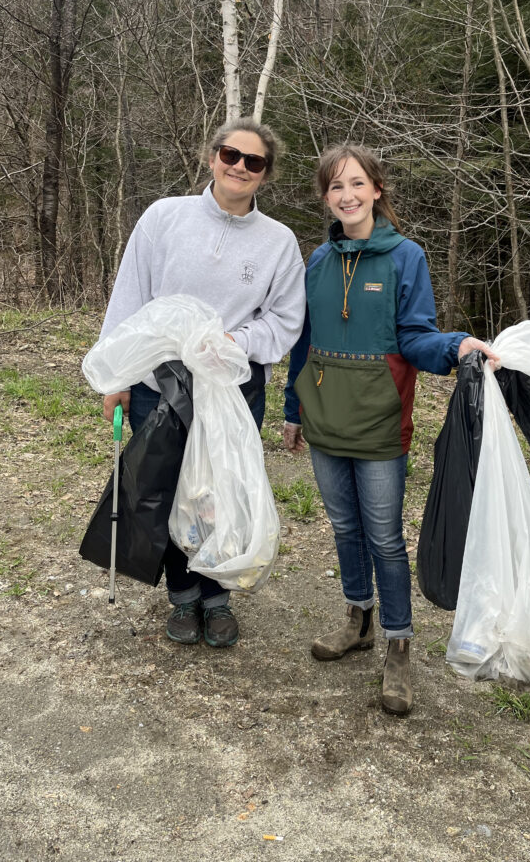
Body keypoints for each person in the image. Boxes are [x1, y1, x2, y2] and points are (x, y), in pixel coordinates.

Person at [282, 144, 499, 715]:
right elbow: (303, 343)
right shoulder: (318, 262)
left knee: (383, 537)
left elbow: (415, 337)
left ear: (377, 189)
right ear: (325, 197)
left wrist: (458, 347)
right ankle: (358, 621)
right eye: (334, 187)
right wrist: (291, 406)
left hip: (380, 425)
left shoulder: (406, 257)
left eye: (356, 184)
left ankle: (399, 643)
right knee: (345, 530)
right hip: (324, 420)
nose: (346, 195)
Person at [100, 117, 305, 648]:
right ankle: (182, 598)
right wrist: (117, 377)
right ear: (212, 156)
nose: (239, 167)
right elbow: (131, 299)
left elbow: (284, 320)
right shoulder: (163, 217)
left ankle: (217, 601)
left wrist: (234, 342)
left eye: (253, 162)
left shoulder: (278, 243)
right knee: (166, 491)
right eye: (230, 155)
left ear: (265, 174)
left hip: (233, 389)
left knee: (219, 493)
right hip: (158, 384)